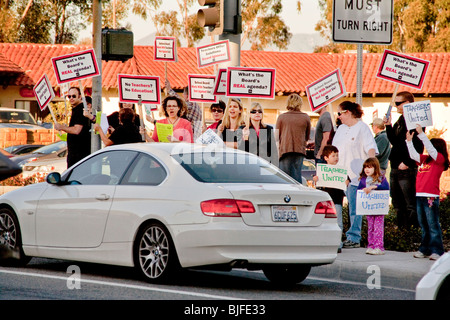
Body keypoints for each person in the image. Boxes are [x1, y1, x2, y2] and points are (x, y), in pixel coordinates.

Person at [332, 101, 378, 249]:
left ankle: (354, 237)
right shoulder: (340, 129)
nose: (338, 116)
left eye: (339, 113)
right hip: (338, 175)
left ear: (348, 112)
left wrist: (372, 168)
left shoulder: (362, 128)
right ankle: (337, 235)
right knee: (337, 207)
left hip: (355, 175)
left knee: (354, 207)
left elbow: (371, 148)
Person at [406, 124, 449, 260]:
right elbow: (413, 155)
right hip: (420, 195)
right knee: (423, 224)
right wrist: (408, 141)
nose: (427, 148)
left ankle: (437, 250)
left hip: (431, 196)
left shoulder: (439, 160)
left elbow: (431, 149)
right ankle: (424, 249)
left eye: (430, 146)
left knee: (432, 224)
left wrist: (421, 134)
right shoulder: (425, 160)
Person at [383, 91, 424, 229]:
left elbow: (419, 144)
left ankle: (413, 232)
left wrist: (407, 162)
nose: (396, 106)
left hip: (406, 168)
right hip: (395, 165)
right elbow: (395, 141)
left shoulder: (415, 120)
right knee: (397, 202)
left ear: (407, 103)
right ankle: (402, 231)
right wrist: (388, 126)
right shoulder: (400, 120)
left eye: (398, 103)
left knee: (410, 202)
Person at [313, 145, 346, 252]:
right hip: (325, 202)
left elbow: (347, 181)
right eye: (333, 156)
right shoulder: (322, 171)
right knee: (324, 223)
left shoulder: (340, 171)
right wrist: (315, 179)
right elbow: (317, 184)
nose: (336, 157)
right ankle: (324, 242)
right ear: (326, 158)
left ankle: (338, 244)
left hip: (337, 201)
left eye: (337, 155)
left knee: (338, 223)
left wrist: (347, 182)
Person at [357, 157, 390, 255]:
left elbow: (386, 187)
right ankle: (371, 245)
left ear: (375, 168)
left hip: (379, 208)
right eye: (365, 167)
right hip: (368, 208)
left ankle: (379, 247)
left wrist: (374, 187)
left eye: (370, 167)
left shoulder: (381, 178)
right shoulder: (363, 180)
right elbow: (359, 190)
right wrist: (363, 190)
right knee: (370, 227)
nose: (367, 169)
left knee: (378, 227)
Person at [276, 93, 311, 183]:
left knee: (284, 178)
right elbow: (307, 136)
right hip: (299, 151)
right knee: (296, 176)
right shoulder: (306, 117)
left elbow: (276, 137)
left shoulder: (282, 117)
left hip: (285, 151)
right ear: (300, 103)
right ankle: (297, 195)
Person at [54, 87, 91, 168]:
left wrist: (61, 127)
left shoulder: (80, 109)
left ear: (80, 96)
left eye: (74, 96)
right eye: (69, 96)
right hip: (75, 154)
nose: (71, 98)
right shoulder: (76, 109)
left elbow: (76, 130)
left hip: (79, 154)